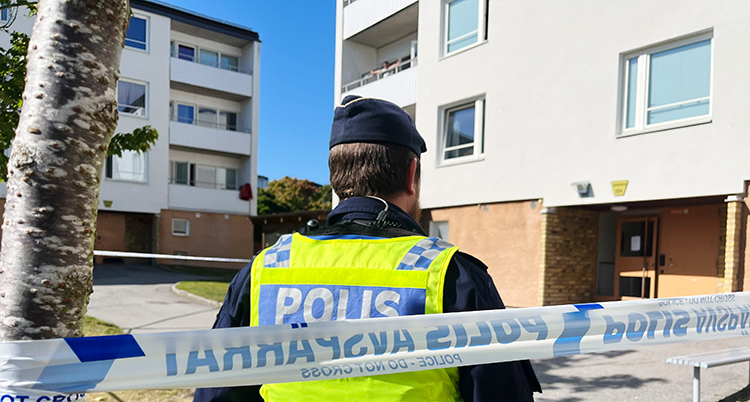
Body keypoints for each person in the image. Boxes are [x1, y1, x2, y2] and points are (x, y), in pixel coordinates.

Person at [193, 95, 542, 402]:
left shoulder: (264, 271)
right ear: (411, 174)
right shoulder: (453, 277)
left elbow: (218, 393)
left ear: (336, 176)